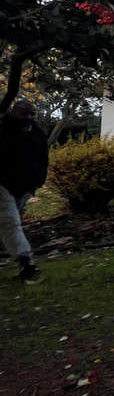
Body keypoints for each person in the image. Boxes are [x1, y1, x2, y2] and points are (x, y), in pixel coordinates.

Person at [0, 100, 49, 282]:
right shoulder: (4, 131)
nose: (28, 118)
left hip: (25, 187)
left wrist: (37, 182)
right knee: (9, 222)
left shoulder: (37, 134)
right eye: (23, 114)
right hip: (3, 185)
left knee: (9, 224)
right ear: (14, 113)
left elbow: (43, 159)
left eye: (31, 114)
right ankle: (26, 262)